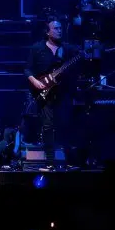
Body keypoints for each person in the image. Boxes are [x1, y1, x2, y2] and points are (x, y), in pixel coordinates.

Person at [26, 18, 75, 163]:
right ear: (48, 32)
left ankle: (68, 160)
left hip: (63, 92)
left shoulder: (67, 49)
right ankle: (50, 160)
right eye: (56, 28)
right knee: (47, 125)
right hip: (44, 93)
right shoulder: (37, 48)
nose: (59, 31)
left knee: (65, 123)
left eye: (60, 28)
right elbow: (27, 69)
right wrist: (35, 81)